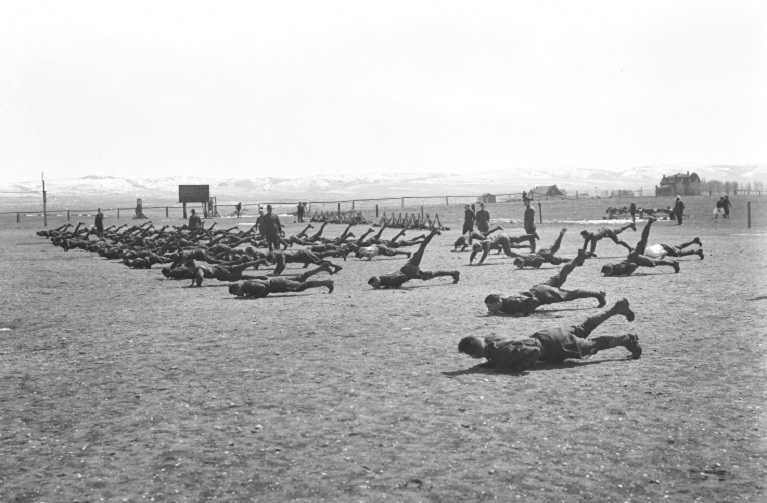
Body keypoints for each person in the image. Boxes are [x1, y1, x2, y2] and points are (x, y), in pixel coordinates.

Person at [458, 298, 641, 371]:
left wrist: (508, 367)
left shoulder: (500, 355)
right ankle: (614, 309)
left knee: (591, 347)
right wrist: (492, 361)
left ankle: (626, 339)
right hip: (546, 334)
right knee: (583, 327)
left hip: (554, 346)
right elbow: (502, 347)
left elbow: (533, 353)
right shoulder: (491, 337)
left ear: (474, 354)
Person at [484, 249, 605, 315]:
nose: (489, 309)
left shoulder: (511, 303)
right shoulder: (504, 302)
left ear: (498, 302)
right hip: (538, 288)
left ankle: (598, 294)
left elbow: (534, 301)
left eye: (490, 306)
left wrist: (524, 313)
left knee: (572, 294)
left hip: (543, 294)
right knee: (562, 274)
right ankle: (578, 258)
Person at [368, 229, 459, 288]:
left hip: (410, 272)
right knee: (422, 248)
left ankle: (453, 273)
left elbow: (402, 277)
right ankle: (432, 233)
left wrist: (396, 286)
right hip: (407, 267)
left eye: (374, 285)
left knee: (432, 274)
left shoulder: (386, 281)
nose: (375, 286)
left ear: (376, 281)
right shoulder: (383, 278)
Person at [601, 218, 680, 276]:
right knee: (643, 239)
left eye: (606, 273)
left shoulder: (618, 269)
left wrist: (627, 274)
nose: (605, 275)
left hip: (635, 259)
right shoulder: (615, 267)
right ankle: (649, 222)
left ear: (610, 270)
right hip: (633, 255)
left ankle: (674, 263)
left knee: (654, 263)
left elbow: (633, 265)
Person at [229, 274, 334, 298]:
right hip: (277, 282)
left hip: (278, 284)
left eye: (235, 293)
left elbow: (262, 288)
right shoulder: (246, 285)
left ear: (237, 288)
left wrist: (254, 296)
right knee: (301, 285)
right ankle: (325, 282)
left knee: (302, 286)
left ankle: (326, 282)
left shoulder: (247, 286)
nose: (237, 295)